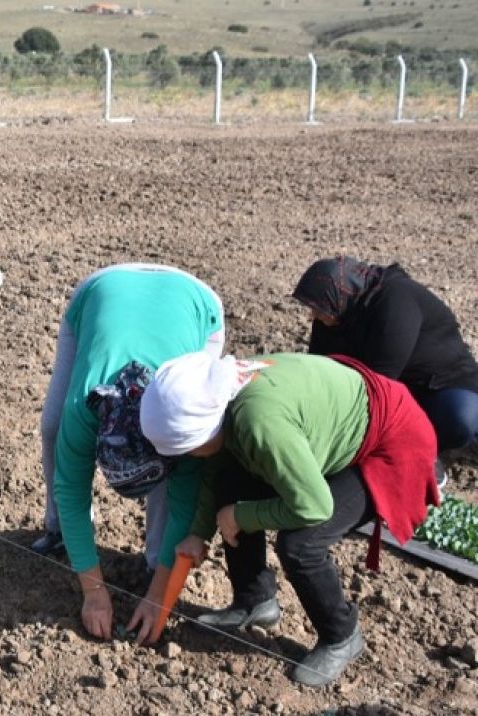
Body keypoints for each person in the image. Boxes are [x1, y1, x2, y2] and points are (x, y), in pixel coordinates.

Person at [140, 351, 440, 686]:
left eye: (189, 448)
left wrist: (241, 515)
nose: (189, 456)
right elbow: (216, 468)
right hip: (326, 424)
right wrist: (199, 533)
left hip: (388, 442)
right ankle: (254, 601)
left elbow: (314, 506)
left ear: (205, 430)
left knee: (301, 544)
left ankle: (342, 636)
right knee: (231, 483)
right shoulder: (223, 398)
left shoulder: (258, 422)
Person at [33, 264, 225, 643]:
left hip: (194, 304)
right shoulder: (84, 409)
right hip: (104, 291)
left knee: (170, 485)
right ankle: (57, 531)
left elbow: (185, 504)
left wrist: (159, 597)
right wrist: (93, 593)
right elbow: (73, 493)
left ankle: (157, 561)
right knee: (53, 429)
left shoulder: (180, 423)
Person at [293, 256, 478, 454]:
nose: (313, 316)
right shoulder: (334, 309)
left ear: (339, 294)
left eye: (316, 308)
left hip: (441, 384)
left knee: (458, 420)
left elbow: (379, 384)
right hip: (397, 387)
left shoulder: (396, 300)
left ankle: (427, 449)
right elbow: (321, 369)